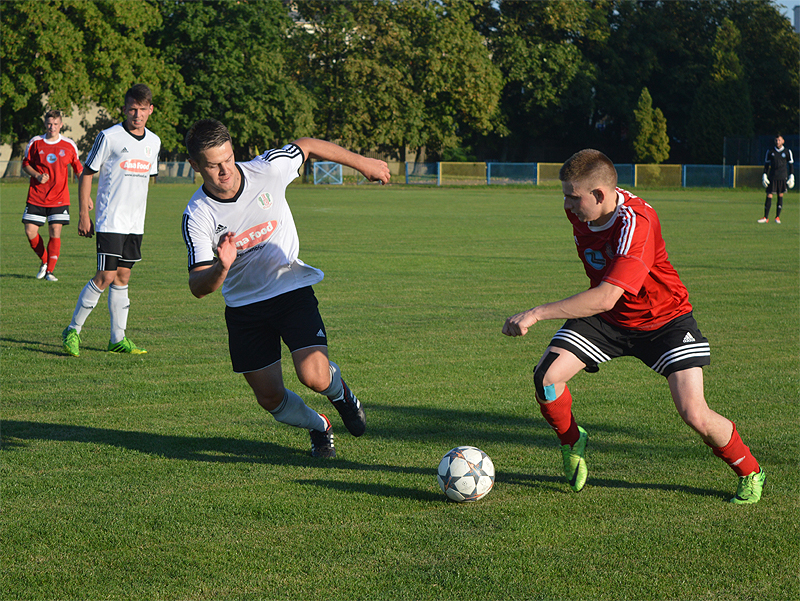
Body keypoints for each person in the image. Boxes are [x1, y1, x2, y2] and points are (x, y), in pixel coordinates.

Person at [503, 149, 765, 504]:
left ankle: (750, 471)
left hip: (664, 321)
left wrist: (536, 312)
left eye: (573, 195)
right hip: (609, 321)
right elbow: (607, 302)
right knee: (546, 377)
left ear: (599, 195)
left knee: (694, 413)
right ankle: (572, 442)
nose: (566, 203)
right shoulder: (577, 212)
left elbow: (606, 295)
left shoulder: (637, 222)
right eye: (565, 194)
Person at [181, 118, 390, 458]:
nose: (225, 171)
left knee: (314, 377)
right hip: (245, 308)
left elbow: (306, 144)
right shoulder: (198, 215)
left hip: (290, 288)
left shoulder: (268, 169)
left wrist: (363, 163)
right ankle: (319, 426)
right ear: (194, 165)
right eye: (213, 165)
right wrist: (222, 266)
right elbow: (198, 286)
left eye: (229, 159)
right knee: (270, 399)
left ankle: (340, 395)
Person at [61, 84, 161, 357]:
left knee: (123, 276)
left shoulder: (154, 142)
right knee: (105, 275)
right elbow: (87, 172)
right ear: (125, 109)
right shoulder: (109, 136)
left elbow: (145, 180)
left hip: (134, 223)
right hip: (110, 219)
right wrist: (84, 211)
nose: (137, 114)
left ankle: (118, 338)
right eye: (132, 109)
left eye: (142, 109)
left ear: (150, 110)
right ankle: (72, 330)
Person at [21, 109, 84, 281]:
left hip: (59, 197)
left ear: (61, 125)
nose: (52, 127)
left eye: (56, 124)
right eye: (49, 124)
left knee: (55, 231)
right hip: (36, 196)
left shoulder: (69, 145)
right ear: (45, 124)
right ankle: (45, 260)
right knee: (30, 231)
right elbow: (25, 164)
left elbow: (79, 171)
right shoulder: (35, 142)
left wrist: (87, 197)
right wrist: (37, 175)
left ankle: (50, 272)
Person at [759, 134, 794, 224]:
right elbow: (766, 165)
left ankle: (777, 217)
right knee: (769, 195)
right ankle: (765, 217)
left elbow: (791, 165)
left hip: (782, 177)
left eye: (779, 140)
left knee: (780, 195)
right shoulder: (770, 151)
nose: (777, 142)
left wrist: (791, 176)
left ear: (783, 141)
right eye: (776, 140)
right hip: (772, 177)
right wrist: (764, 175)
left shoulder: (787, 151)